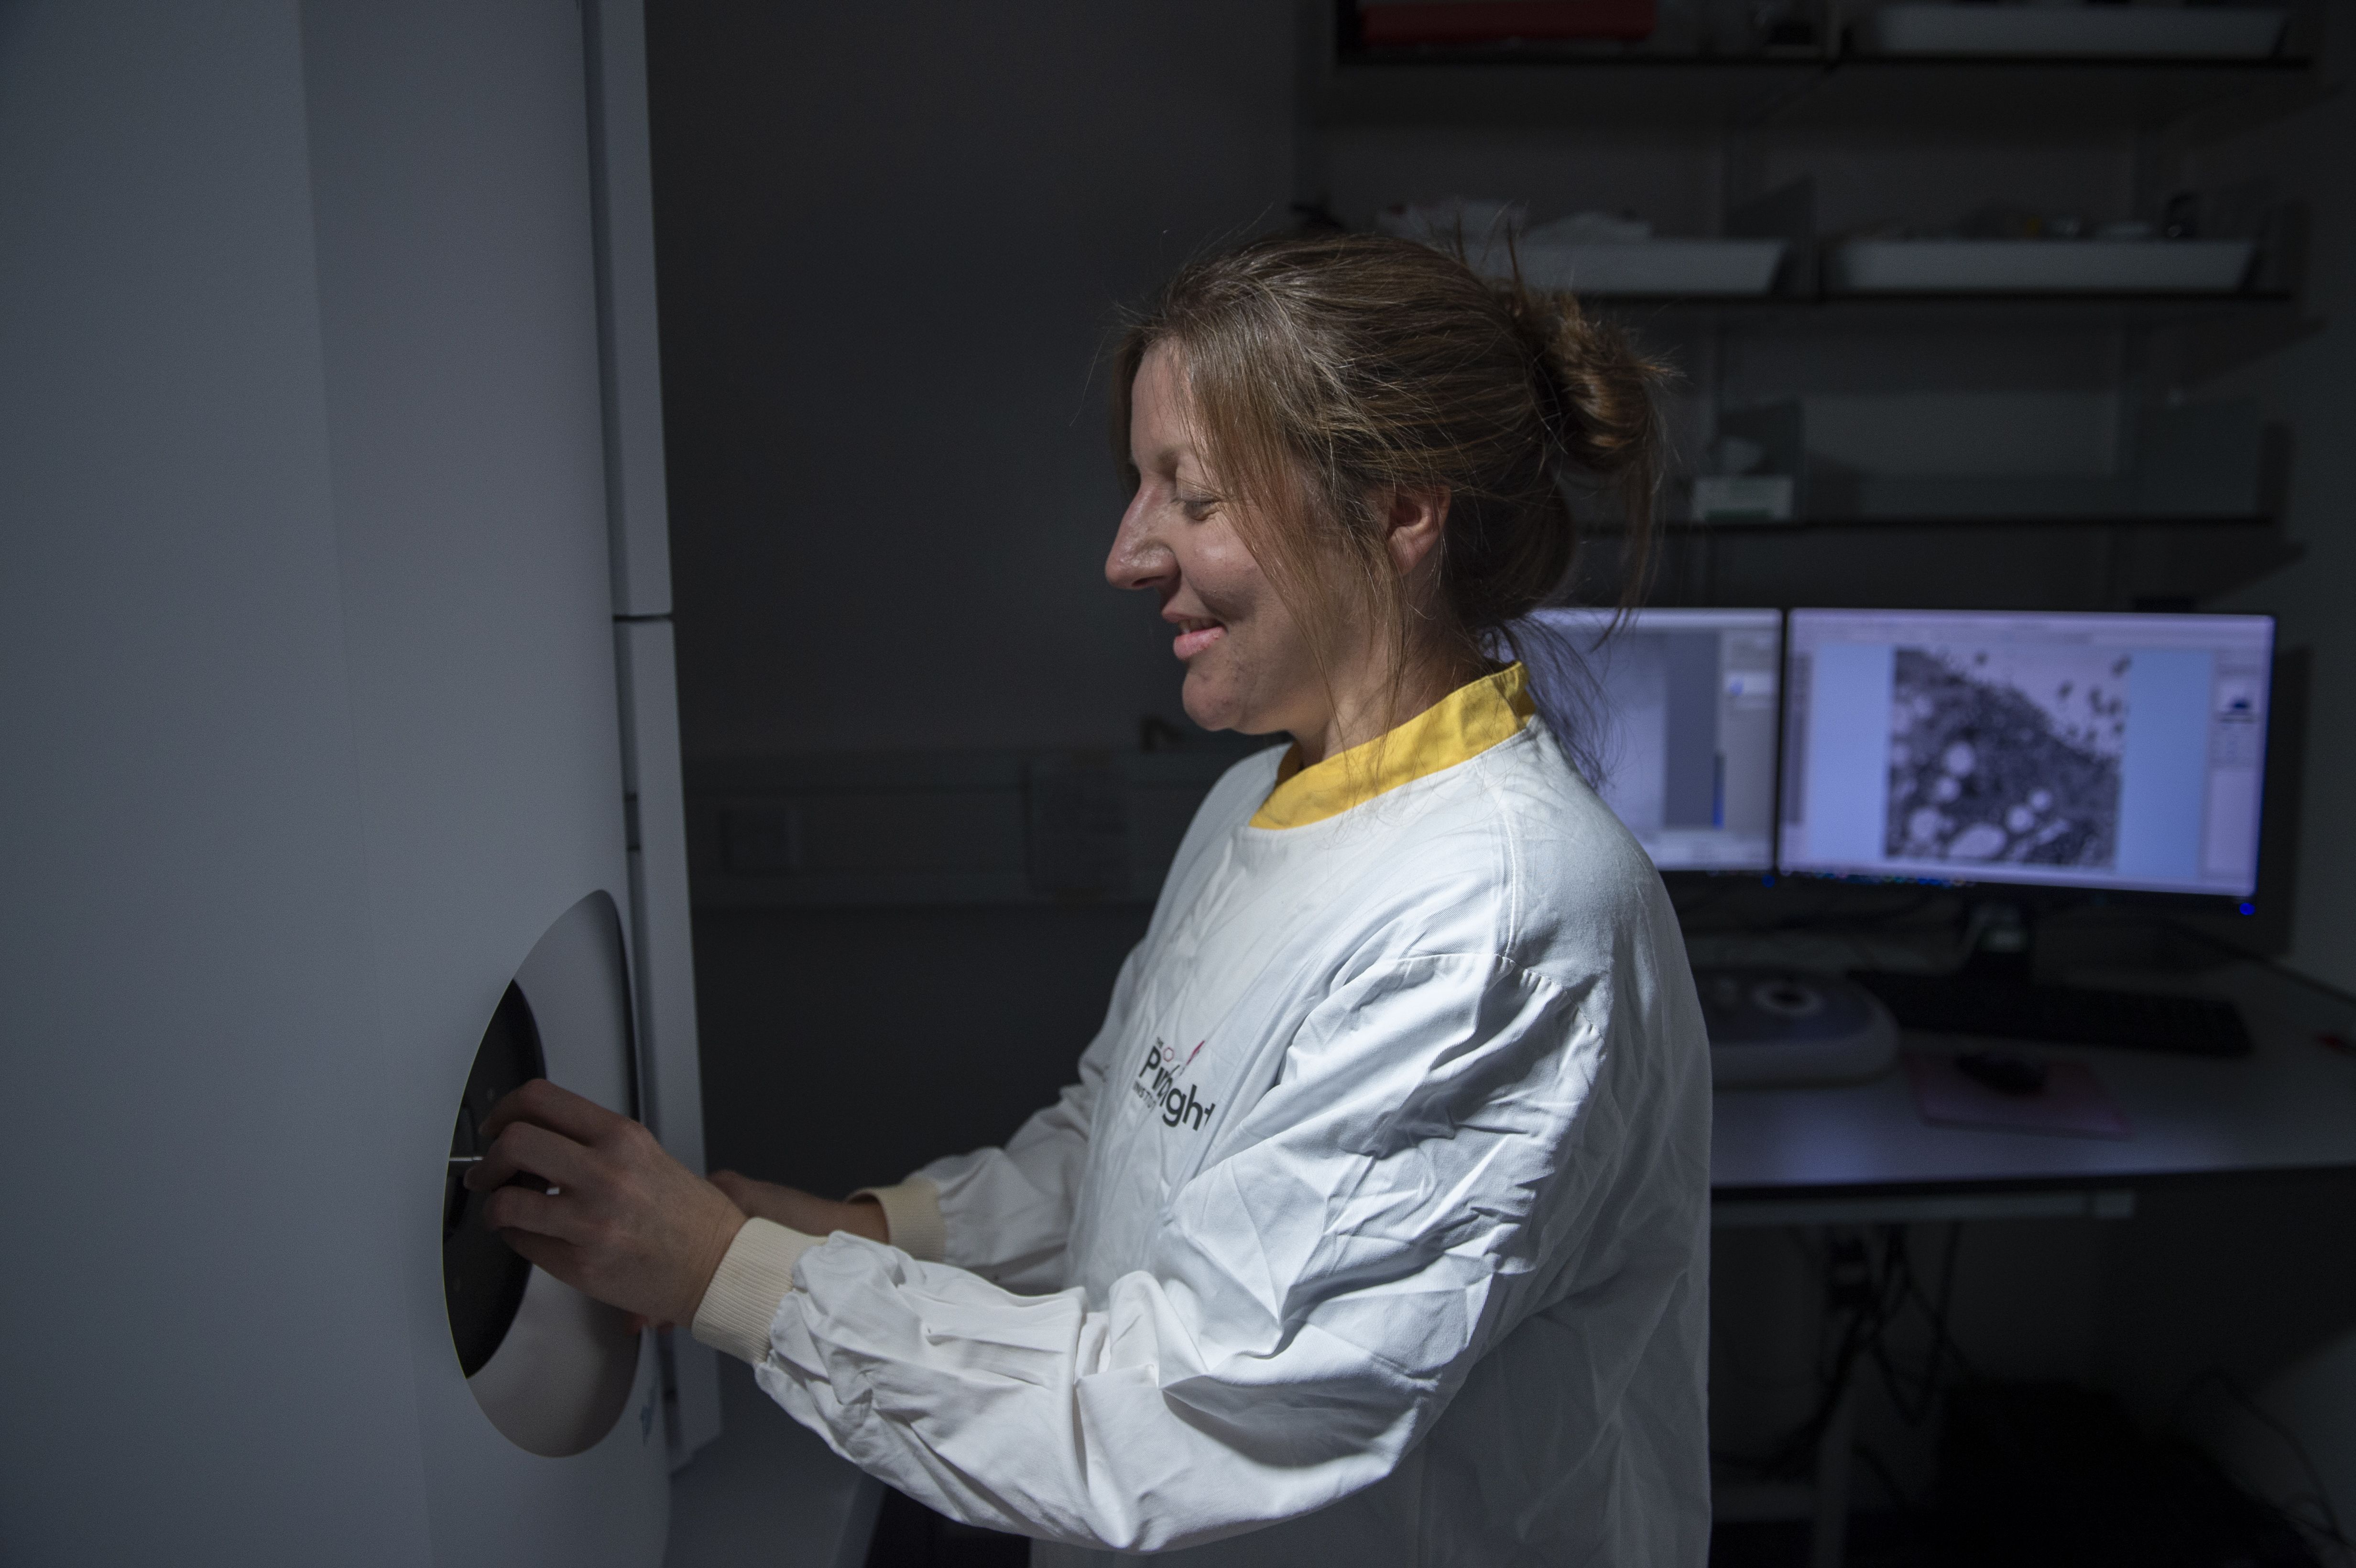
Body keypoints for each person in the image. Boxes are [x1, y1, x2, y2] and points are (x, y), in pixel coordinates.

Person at [469, 233, 1712, 1565]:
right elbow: (1124, 1142)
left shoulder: (1501, 919)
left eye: (1194, 494)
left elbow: (1194, 1409)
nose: (1127, 554)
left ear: (1402, 512)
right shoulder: (1260, 800)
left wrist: (734, 1275)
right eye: (1139, 488)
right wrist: (856, 1232)